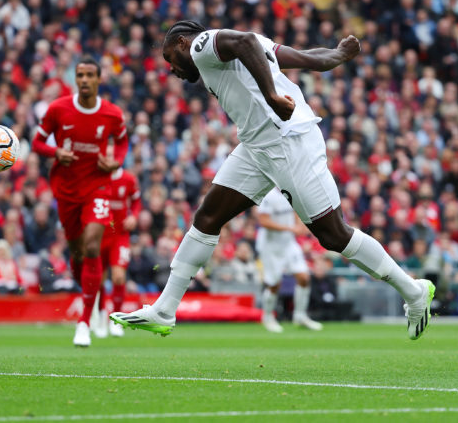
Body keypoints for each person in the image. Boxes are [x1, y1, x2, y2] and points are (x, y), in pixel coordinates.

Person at [111, 21, 434, 341]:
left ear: (181, 42)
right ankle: (165, 309)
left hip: (287, 141)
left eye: (169, 58)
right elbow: (309, 59)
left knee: (334, 235)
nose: (172, 69)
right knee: (207, 217)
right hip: (256, 146)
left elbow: (247, 40)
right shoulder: (239, 49)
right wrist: (337, 54)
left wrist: (271, 95)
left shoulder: (203, 44)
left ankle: (413, 290)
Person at [31, 57, 128, 347]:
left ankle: (84, 322)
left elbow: (122, 142)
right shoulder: (58, 109)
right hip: (66, 190)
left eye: (89, 75)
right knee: (76, 255)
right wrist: (55, 152)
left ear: (99, 80)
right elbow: (37, 142)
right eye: (80, 75)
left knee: (92, 246)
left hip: (98, 187)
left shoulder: (112, 114)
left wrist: (115, 163)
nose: (84, 80)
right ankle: (94, 300)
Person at [255, 188, 322, 333]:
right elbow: (263, 221)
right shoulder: (268, 196)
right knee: (274, 284)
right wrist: (290, 228)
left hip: (288, 244)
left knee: (304, 277)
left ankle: (300, 316)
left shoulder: (291, 191)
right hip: (270, 246)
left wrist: (299, 226)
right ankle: (267, 317)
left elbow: (295, 211)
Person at [93, 167, 141, 339]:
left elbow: (136, 201)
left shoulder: (128, 179)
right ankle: (99, 317)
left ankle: (116, 319)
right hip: (99, 235)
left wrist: (134, 216)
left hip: (119, 236)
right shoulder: (97, 176)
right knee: (99, 280)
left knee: (119, 277)